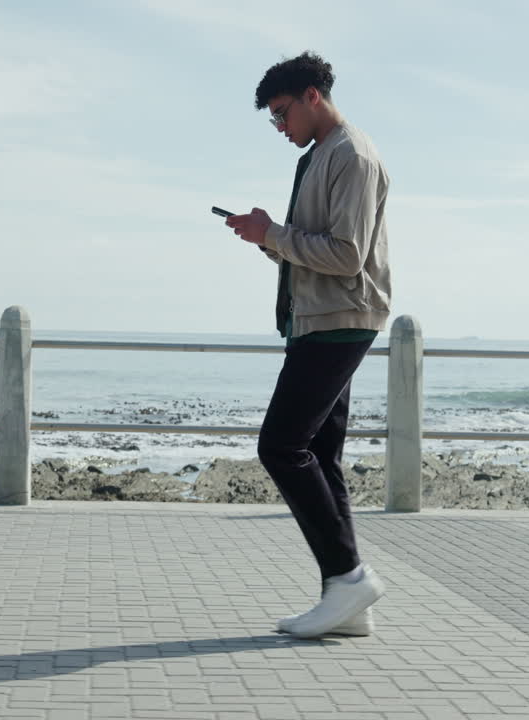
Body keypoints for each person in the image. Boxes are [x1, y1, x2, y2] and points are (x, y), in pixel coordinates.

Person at [225, 51, 391, 639]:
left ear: (311, 97)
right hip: (317, 317)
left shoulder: (352, 155)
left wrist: (273, 233)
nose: (279, 127)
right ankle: (347, 602)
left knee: (280, 446)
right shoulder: (322, 155)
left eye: (280, 113)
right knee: (319, 455)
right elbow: (312, 245)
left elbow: (346, 255)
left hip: (341, 318)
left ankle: (348, 577)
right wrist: (265, 237)